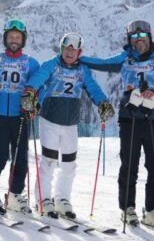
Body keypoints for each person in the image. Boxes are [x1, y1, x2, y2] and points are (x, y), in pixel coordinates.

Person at [80, 20, 154, 228]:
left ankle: (153, 210)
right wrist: (77, 58)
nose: (139, 40)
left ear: (150, 36)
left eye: (142, 36)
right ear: (129, 39)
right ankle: (127, 208)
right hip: (129, 118)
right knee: (129, 165)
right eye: (134, 37)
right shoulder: (125, 58)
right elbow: (101, 63)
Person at [23, 33, 112, 219]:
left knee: (69, 164)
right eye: (67, 48)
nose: (70, 52)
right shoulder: (51, 65)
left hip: (71, 123)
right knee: (49, 162)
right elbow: (37, 79)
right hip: (50, 120)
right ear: (62, 48)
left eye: (75, 49)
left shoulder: (83, 70)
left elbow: (92, 87)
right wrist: (30, 92)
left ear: (80, 52)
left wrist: (103, 102)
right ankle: (43, 199)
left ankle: (62, 199)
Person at [0, 19, 40, 214]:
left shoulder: (31, 63)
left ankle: (15, 194)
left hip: (20, 116)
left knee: (20, 157)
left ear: (23, 40)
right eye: (10, 37)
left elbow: (40, 86)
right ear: (5, 38)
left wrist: (34, 104)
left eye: (17, 37)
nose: (14, 40)